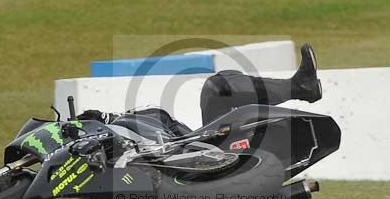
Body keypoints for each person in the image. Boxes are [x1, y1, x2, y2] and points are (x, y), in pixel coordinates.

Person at [78, 43, 322, 135]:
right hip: (186, 155)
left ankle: (300, 87)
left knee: (227, 79)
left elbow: (155, 118)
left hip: (192, 149)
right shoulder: (116, 152)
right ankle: (299, 88)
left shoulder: (126, 130)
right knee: (216, 87)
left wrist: (107, 118)